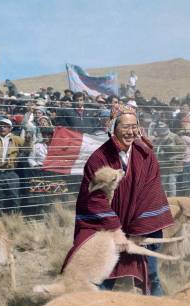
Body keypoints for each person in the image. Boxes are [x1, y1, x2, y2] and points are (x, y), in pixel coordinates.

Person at [61, 105, 174, 295]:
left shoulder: (146, 156)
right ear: (113, 127)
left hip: (143, 226)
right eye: (125, 127)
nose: (130, 132)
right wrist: (116, 230)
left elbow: (151, 193)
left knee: (151, 275)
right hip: (109, 228)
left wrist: (140, 230)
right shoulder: (99, 159)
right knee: (103, 276)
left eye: (134, 126)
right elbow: (95, 199)